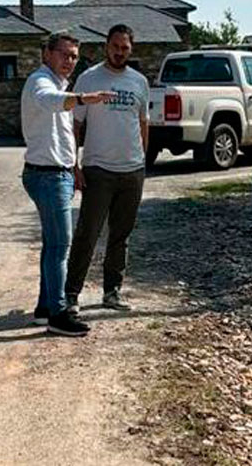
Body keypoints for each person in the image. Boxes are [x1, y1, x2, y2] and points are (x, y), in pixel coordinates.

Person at [21, 32, 114, 337]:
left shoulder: (59, 84)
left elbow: (63, 136)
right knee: (61, 245)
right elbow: (49, 102)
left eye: (74, 56)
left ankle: (45, 307)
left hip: (55, 172)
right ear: (47, 53)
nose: (69, 61)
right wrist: (85, 99)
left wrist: (72, 166)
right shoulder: (41, 82)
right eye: (64, 54)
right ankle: (59, 313)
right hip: (47, 176)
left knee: (53, 244)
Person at [65, 24, 150, 314]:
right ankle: (71, 295)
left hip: (132, 171)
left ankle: (112, 292)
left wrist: (143, 161)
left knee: (121, 235)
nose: (119, 52)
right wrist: (74, 164)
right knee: (87, 234)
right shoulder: (89, 79)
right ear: (106, 46)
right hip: (98, 169)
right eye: (115, 46)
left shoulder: (139, 82)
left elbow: (143, 122)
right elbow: (75, 124)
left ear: (131, 49)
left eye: (125, 48)